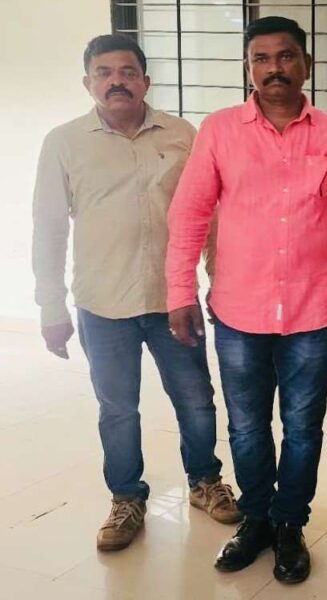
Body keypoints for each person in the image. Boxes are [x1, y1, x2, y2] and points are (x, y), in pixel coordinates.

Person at [165, 16, 327, 584]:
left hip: (312, 311)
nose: (275, 68)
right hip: (238, 309)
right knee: (248, 427)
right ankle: (256, 520)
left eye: (286, 56)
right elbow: (190, 214)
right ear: (249, 67)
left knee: (302, 427)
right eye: (262, 58)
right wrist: (180, 291)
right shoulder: (220, 130)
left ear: (307, 64)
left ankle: (290, 525)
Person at [31, 34, 239, 553]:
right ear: (88, 82)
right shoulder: (64, 142)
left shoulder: (182, 135)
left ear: (145, 81)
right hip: (101, 303)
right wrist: (51, 306)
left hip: (173, 301)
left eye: (127, 72)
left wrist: (217, 281)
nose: (116, 81)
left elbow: (209, 216)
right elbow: (49, 227)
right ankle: (126, 497)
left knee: (196, 400)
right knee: (118, 409)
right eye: (104, 73)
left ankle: (205, 481)